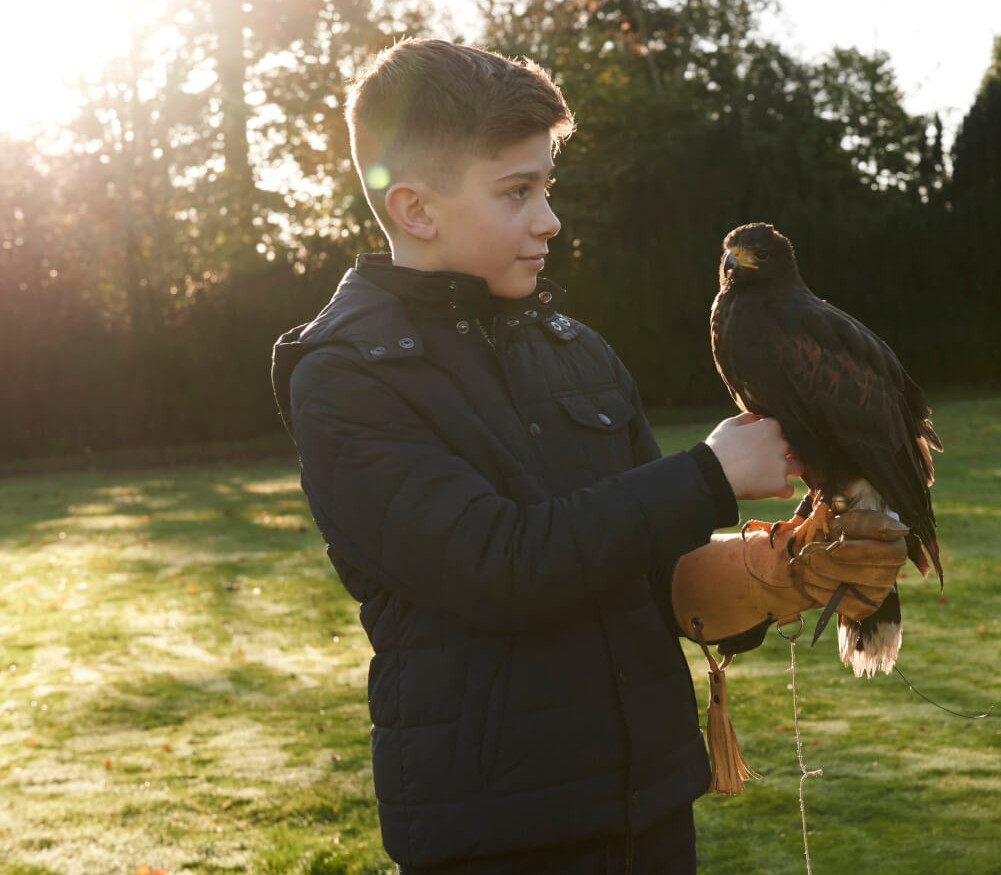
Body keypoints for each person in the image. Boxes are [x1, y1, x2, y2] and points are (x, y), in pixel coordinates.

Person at [269, 37, 908, 874]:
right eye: (517, 192)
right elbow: (498, 564)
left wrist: (779, 570)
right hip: (498, 836)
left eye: (548, 187)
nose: (549, 219)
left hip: (650, 811)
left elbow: (658, 571)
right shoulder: (346, 378)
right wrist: (709, 475)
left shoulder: (579, 351)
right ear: (417, 208)